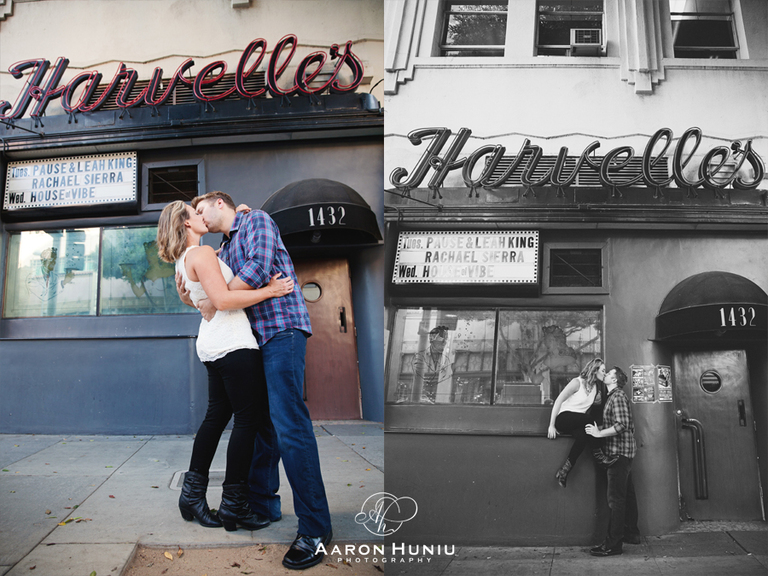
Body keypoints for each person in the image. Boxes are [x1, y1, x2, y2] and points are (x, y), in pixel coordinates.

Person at [183, 191, 332, 571]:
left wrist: (215, 298)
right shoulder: (224, 247)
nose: (199, 216)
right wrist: (200, 292)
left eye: (202, 209)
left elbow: (259, 269)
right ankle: (262, 506)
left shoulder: (256, 221)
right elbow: (200, 287)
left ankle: (315, 529)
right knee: (264, 425)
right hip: (252, 340)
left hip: (282, 330)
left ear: (220, 204)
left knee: (289, 424)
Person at [157, 200, 293, 532]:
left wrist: (241, 215)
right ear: (187, 224)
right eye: (195, 214)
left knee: (216, 418)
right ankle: (234, 505)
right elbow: (223, 301)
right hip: (233, 342)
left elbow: (202, 297)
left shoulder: (189, 259)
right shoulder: (201, 255)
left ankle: (192, 495)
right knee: (247, 422)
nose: (201, 216)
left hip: (214, 343)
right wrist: (270, 290)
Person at [586, 366, 641, 556]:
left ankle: (613, 545)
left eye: (609, 374)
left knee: (615, 500)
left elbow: (621, 424)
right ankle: (631, 534)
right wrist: (598, 427)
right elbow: (615, 423)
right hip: (624, 453)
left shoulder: (617, 397)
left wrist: (599, 433)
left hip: (618, 454)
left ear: (615, 380)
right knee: (627, 495)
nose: (606, 375)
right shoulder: (614, 396)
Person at [547, 358, 617, 487]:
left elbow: (586, 408)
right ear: (595, 370)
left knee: (583, 436)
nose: (605, 373)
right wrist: (551, 425)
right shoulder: (577, 382)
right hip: (563, 419)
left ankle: (564, 471)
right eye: (603, 370)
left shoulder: (596, 388)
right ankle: (600, 458)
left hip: (577, 422)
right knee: (590, 420)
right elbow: (558, 401)